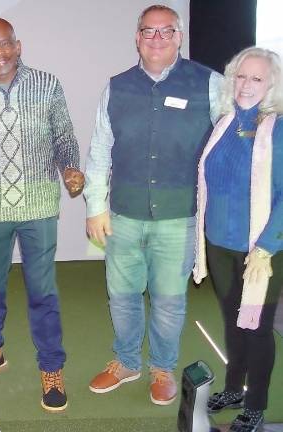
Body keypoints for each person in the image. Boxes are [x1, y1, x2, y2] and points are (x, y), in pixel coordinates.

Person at [84, 4, 223, 405]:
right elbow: (99, 150)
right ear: (137, 38)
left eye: (166, 32)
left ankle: (163, 368)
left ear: (179, 36)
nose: (157, 39)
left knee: (168, 299)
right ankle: (126, 362)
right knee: (123, 295)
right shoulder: (116, 86)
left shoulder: (209, 84)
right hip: (123, 215)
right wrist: (96, 206)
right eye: (149, 32)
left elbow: (227, 144)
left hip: (179, 217)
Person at [0, 17, 84, 412]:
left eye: (5, 43)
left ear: (18, 45)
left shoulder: (47, 85)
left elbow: (64, 136)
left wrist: (70, 167)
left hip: (39, 206)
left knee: (42, 291)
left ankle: (51, 368)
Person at [193, 47, 283, 432]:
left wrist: (266, 245)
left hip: (261, 250)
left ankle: (256, 404)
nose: (246, 85)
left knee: (257, 327)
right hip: (219, 244)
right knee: (233, 321)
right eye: (241, 76)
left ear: (272, 85)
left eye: (257, 78)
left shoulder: (277, 129)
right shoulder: (224, 121)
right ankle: (234, 388)